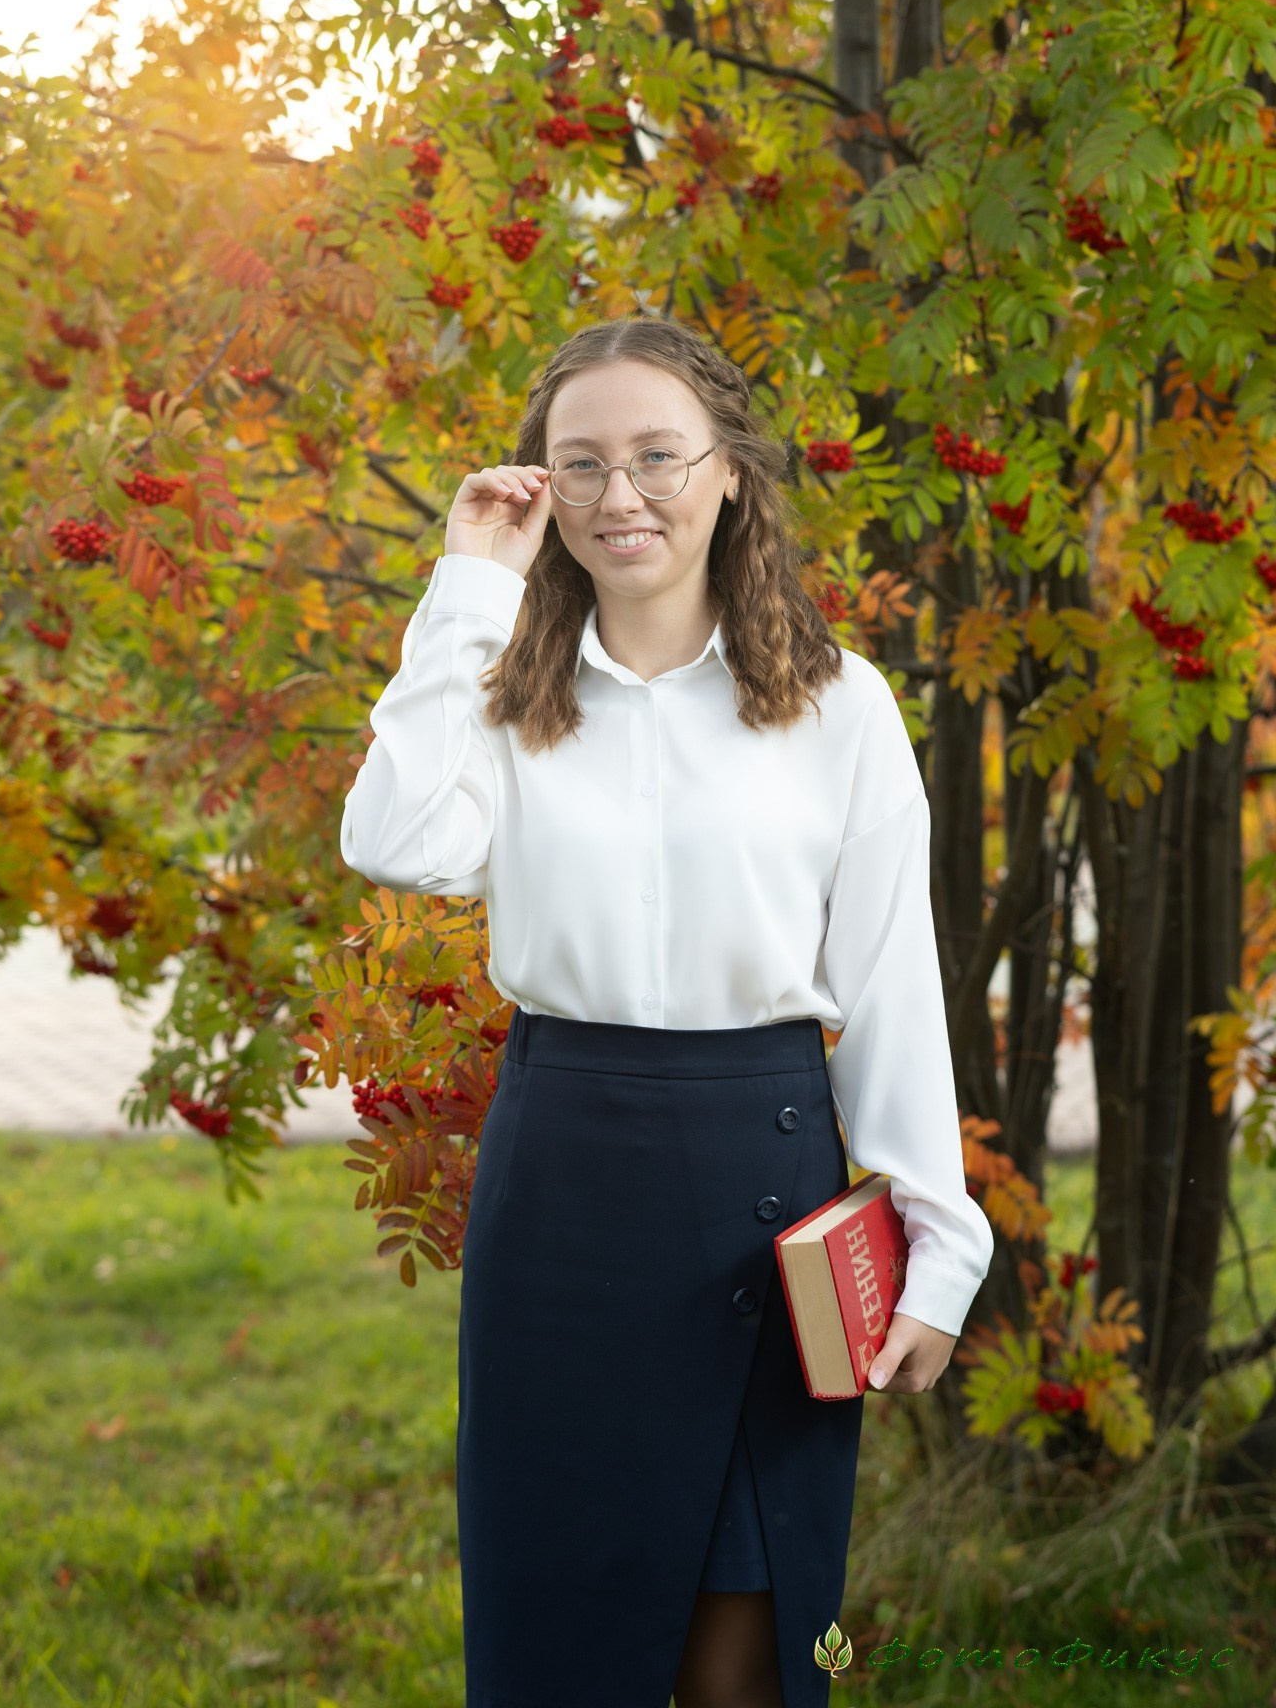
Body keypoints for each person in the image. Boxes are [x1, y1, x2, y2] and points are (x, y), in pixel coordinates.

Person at [340, 315, 994, 1708]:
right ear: (542, 494)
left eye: (655, 456)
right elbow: (394, 843)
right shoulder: (504, 698)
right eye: (580, 465)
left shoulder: (838, 707)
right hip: (559, 1185)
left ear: (732, 474)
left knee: (746, 1645)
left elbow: (890, 984)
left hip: (761, 1207)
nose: (620, 495)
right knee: (556, 1624)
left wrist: (940, 1240)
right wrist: (469, 585)